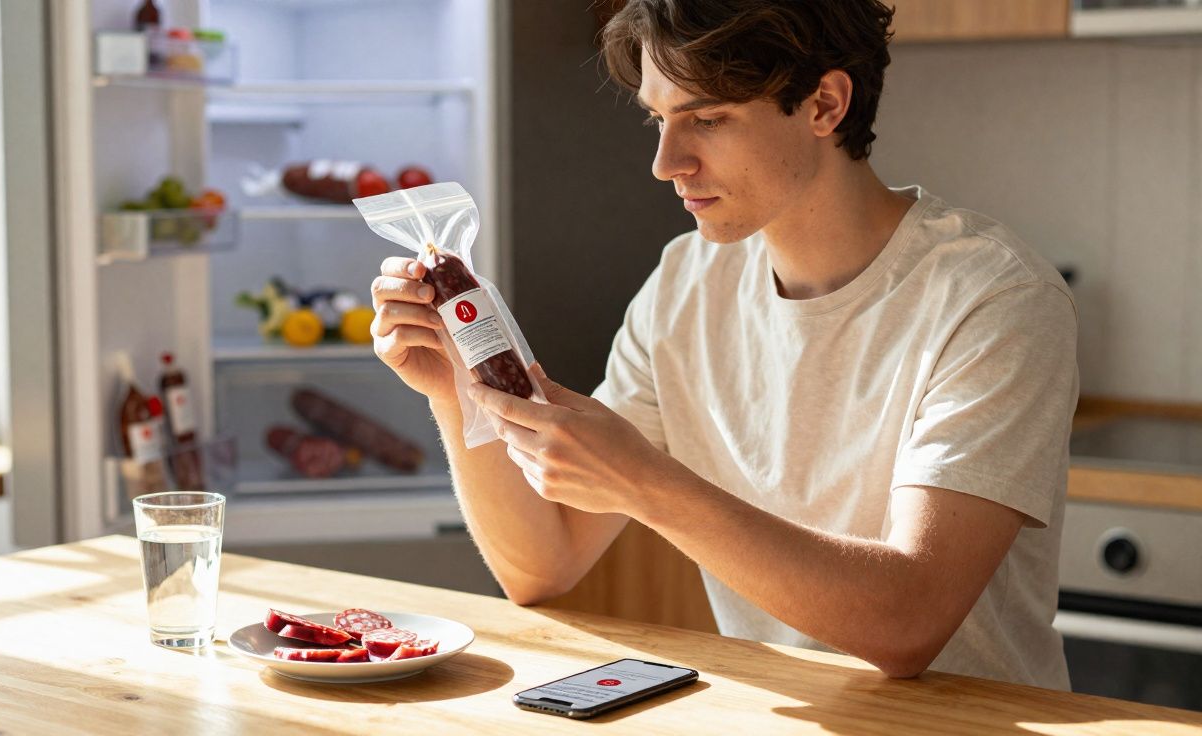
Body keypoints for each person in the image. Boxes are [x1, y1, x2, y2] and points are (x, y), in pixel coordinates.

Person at [368, 0, 1077, 689]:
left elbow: (908, 620)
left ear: (825, 105)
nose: (665, 161)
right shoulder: (686, 282)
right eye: (658, 119)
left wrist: (646, 482)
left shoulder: (994, 298)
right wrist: (454, 389)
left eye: (707, 118)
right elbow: (543, 563)